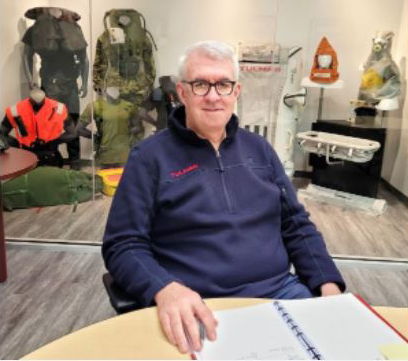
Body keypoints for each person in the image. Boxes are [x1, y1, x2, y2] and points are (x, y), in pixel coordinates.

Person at [102, 40, 345, 355]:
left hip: (280, 293)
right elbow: (122, 244)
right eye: (201, 84)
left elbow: (296, 224)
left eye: (223, 84)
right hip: (196, 305)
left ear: (236, 91)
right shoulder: (149, 158)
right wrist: (165, 290)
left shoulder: (260, 150)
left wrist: (328, 286)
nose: (214, 96)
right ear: (182, 92)